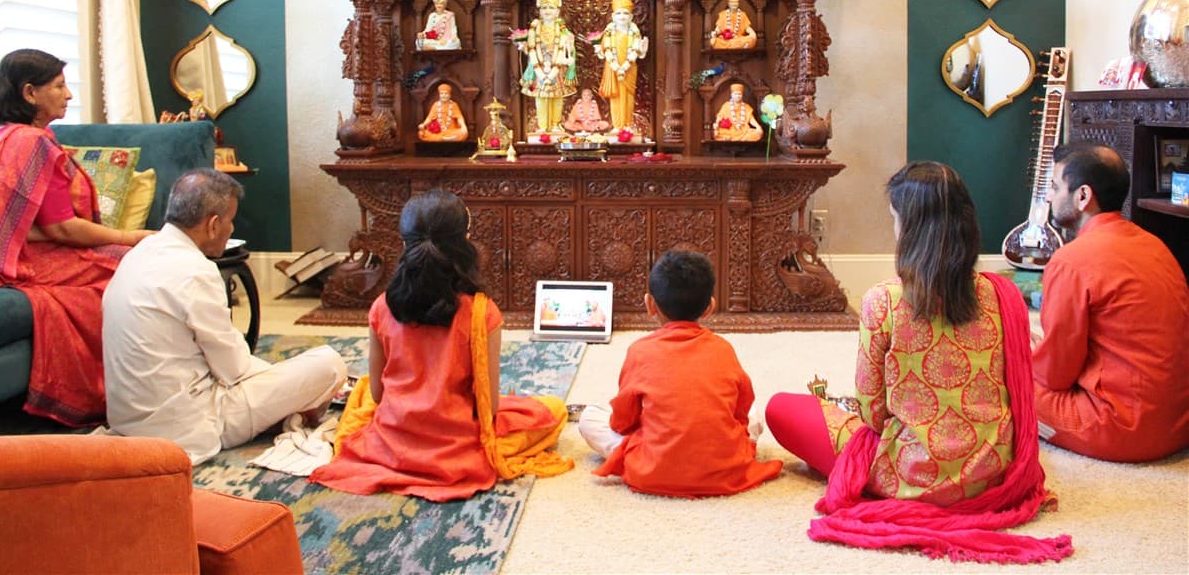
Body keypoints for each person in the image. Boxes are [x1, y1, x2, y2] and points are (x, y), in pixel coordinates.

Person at [764, 162, 1070, 563]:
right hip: (990, 474)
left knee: (782, 408)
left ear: (909, 228)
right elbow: (1018, 397)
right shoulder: (1004, 296)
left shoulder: (883, 301)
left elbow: (873, 414)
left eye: (894, 219)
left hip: (906, 477)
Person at [310, 189, 572, 501]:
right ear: (466, 242)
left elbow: (379, 395)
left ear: (404, 243)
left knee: (364, 389)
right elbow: (487, 407)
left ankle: (405, 457)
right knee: (553, 411)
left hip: (392, 442)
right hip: (457, 449)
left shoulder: (381, 306)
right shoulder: (481, 312)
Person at [102, 169, 348, 465]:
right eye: (231, 221)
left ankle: (291, 402)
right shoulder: (196, 271)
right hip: (187, 426)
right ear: (214, 225)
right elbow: (234, 369)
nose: (232, 229)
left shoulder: (136, 254)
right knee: (330, 365)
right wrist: (286, 383)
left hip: (128, 420)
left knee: (278, 375)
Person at [0, 49, 155, 426]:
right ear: (30, 93)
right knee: (123, 271)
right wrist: (132, 237)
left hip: (11, 252)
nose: (69, 95)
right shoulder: (30, 143)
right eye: (59, 86)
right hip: (24, 261)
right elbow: (61, 228)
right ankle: (128, 389)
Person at [578, 250, 782, 497]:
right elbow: (741, 410)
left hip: (654, 470)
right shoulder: (723, 348)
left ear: (650, 305)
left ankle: (665, 456)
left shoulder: (639, 351)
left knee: (590, 417)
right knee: (755, 413)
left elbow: (622, 421)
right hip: (724, 468)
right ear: (710, 307)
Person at [1034, 142, 1189, 462]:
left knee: (1008, 382)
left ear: (1082, 196)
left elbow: (1054, 376)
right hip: (1179, 423)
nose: (1048, 197)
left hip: (1124, 430)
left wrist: (1029, 352)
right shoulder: (1155, 245)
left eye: (1054, 187)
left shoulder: (1071, 261)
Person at [517, 0, 577, 134]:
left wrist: (569, 44)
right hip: (539, 67)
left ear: (557, 11)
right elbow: (531, 48)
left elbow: (568, 50)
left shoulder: (562, 29)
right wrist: (524, 48)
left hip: (558, 67)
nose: (547, 11)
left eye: (551, 8)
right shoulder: (535, 28)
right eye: (544, 8)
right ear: (540, 11)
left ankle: (556, 124)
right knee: (541, 99)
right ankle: (543, 126)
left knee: (557, 98)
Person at [593, 0, 648, 134]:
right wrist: (617, 67)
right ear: (613, 16)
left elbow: (635, 50)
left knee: (628, 96)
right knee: (615, 97)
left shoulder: (634, 33)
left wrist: (625, 67)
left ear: (631, 17)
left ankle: (627, 125)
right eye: (618, 13)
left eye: (625, 13)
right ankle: (617, 126)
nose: (622, 16)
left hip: (629, 69)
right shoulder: (608, 33)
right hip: (613, 69)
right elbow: (607, 51)